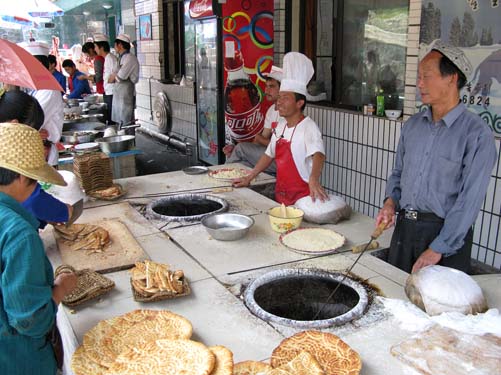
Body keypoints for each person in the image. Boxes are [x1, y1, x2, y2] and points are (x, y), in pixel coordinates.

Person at [375, 40, 497, 274]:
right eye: (419, 76)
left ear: (451, 78)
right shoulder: (413, 125)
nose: (419, 83)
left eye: (426, 76)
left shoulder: (476, 134)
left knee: (435, 308)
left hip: (444, 239)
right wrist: (391, 203)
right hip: (405, 231)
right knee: (395, 300)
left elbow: (468, 201)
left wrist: (439, 247)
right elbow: (398, 174)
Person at [0, 122, 77, 375]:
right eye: (35, 181)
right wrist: (62, 286)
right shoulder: (19, 234)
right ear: (22, 177)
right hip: (18, 360)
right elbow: (30, 320)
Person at [234, 52, 328, 205]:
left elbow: (318, 154)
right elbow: (268, 154)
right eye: (280, 97)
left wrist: (314, 179)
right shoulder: (281, 127)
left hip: (302, 199)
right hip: (282, 197)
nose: (279, 102)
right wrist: (249, 177)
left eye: (285, 98)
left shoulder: (308, 127)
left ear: (300, 103)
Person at [0, 89, 74, 229]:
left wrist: (41, 218)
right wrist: (63, 211)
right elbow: (29, 195)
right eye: (32, 130)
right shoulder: (8, 154)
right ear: (15, 125)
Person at [225, 65, 282, 174]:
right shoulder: (271, 110)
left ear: (282, 89)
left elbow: (281, 148)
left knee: (241, 148)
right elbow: (261, 139)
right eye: (266, 86)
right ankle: (228, 185)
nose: (266, 90)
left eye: (272, 86)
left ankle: (221, 177)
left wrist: (245, 147)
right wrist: (236, 151)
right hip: (270, 156)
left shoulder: (288, 112)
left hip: (282, 161)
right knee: (241, 162)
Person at [21, 41, 64, 167]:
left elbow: (31, 120)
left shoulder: (48, 89)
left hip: (44, 155)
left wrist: (28, 129)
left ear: (38, 64)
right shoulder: (36, 88)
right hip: (35, 151)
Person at [109, 33, 139, 125]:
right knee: (119, 122)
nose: (114, 47)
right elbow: (110, 79)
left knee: (126, 123)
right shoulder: (120, 58)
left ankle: (130, 139)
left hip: (126, 94)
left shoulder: (130, 58)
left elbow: (120, 77)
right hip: (119, 94)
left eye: (115, 45)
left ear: (120, 45)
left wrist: (115, 76)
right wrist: (114, 76)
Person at [94, 33, 118, 124]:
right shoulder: (107, 58)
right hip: (108, 91)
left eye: (96, 47)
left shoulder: (110, 58)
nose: (95, 49)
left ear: (101, 47)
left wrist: (108, 80)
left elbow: (114, 76)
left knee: (112, 119)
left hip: (112, 93)